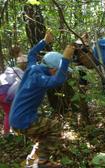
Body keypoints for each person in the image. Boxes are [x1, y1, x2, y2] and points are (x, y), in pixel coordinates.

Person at [9, 30, 75, 167]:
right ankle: (43, 161)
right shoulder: (39, 78)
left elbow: (32, 54)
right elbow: (57, 81)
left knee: (43, 136)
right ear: (52, 69)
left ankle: (32, 160)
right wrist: (65, 59)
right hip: (23, 120)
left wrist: (44, 41)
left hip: (16, 118)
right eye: (56, 71)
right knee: (54, 126)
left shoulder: (33, 67)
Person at [0, 55, 27, 134]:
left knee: (8, 113)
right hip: (6, 94)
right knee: (14, 112)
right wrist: (10, 98)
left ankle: (7, 133)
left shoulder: (10, 70)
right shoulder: (19, 74)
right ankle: (14, 132)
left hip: (2, 94)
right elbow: (15, 87)